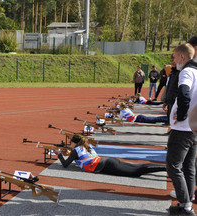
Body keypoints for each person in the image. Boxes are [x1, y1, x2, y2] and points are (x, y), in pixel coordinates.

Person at [166, 43, 197, 215]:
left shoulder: (186, 72)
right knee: (189, 167)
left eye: (175, 56)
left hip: (183, 129)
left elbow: (184, 92)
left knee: (173, 166)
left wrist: (183, 114)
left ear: (183, 57)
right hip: (193, 129)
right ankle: (187, 203)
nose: (174, 60)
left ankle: (185, 205)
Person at [53, 134, 166, 177]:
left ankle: (166, 168)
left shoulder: (76, 150)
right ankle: (165, 168)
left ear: (75, 143)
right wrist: (68, 154)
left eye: (71, 142)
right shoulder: (86, 146)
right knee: (137, 167)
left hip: (106, 165)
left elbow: (65, 164)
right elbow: (81, 157)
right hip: (108, 161)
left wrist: (58, 154)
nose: (70, 144)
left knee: (136, 172)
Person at [163, 54, 180, 125]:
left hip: (175, 100)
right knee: (170, 116)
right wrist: (166, 100)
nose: (172, 62)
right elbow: (169, 87)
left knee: (173, 118)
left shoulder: (180, 73)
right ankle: (170, 127)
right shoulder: (172, 73)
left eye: (174, 60)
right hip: (170, 99)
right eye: (171, 60)